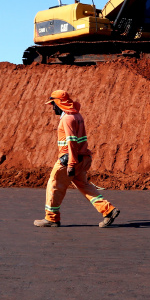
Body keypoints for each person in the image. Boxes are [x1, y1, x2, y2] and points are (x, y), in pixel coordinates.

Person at [34, 90, 120, 228]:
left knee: (54, 185)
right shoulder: (77, 115)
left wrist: (71, 164)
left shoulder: (67, 119)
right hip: (83, 158)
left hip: (69, 159)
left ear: (59, 103)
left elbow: (72, 142)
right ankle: (108, 210)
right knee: (84, 186)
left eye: (53, 104)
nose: (52, 108)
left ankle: (51, 218)